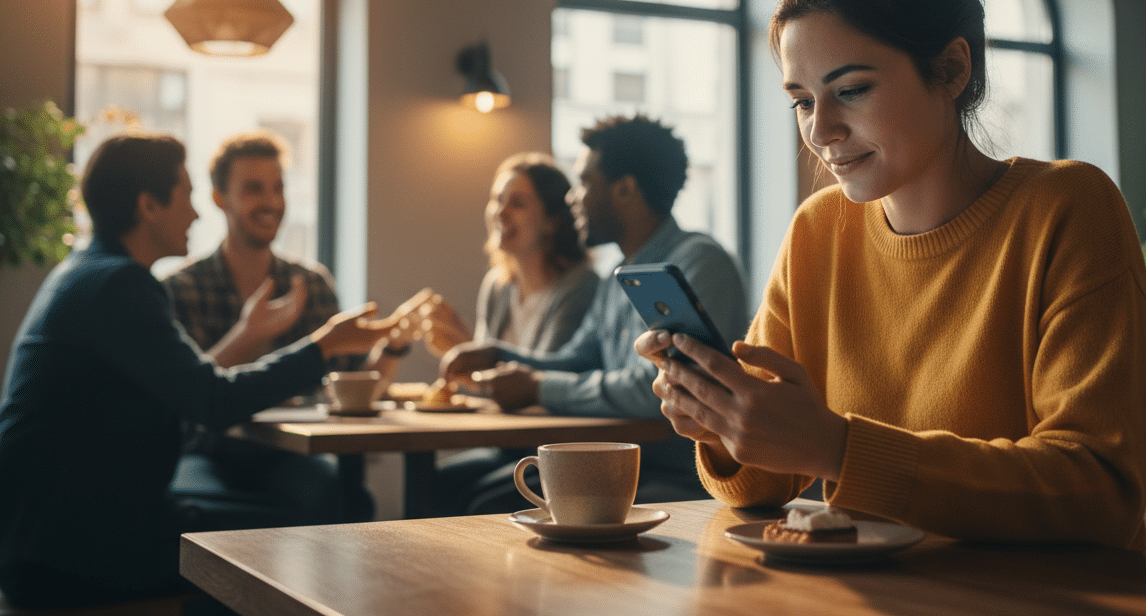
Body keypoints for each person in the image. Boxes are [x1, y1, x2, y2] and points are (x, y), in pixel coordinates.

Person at [639, 0, 1146, 550]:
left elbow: (1098, 493)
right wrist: (726, 424)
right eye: (802, 100)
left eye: (851, 90)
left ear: (952, 70)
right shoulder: (818, 231)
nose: (821, 131)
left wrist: (839, 450)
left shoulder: (1067, 210)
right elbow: (766, 484)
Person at [0, 134, 404, 609]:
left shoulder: (89, 271)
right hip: (68, 550)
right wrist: (323, 346)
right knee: (303, 539)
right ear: (149, 206)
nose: (196, 214)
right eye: (187, 196)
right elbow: (213, 400)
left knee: (317, 518)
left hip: (51, 535)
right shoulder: (118, 284)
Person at [439, 115, 749, 514]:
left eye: (584, 182)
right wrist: (499, 355)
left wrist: (537, 388)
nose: (572, 199)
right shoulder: (617, 278)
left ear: (625, 189)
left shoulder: (700, 262)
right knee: (454, 488)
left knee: (483, 503)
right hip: (618, 462)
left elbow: (658, 390)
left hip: (680, 476)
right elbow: (575, 360)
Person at [163, 132, 398, 523]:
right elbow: (186, 395)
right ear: (220, 198)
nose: (271, 202)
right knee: (195, 512)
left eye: (278, 188)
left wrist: (394, 346)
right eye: (254, 189)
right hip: (208, 452)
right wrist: (247, 336)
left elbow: (353, 387)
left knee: (343, 496)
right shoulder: (181, 289)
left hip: (289, 455)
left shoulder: (313, 284)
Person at [419, 152, 599, 356]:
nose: (500, 213)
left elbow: (541, 382)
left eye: (517, 204)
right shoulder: (498, 287)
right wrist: (461, 349)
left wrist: (464, 349)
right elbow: (485, 385)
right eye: (497, 200)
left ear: (552, 221)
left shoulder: (581, 288)